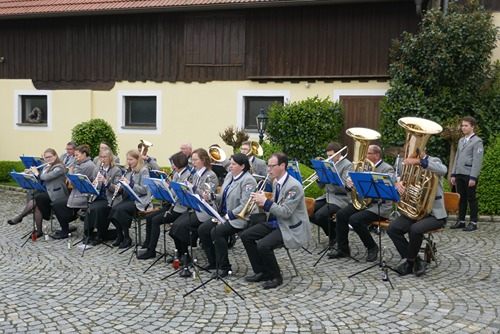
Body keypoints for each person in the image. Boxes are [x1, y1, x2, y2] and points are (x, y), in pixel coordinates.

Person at [241, 152, 311, 289]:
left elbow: (285, 212)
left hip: (290, 226)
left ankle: (275, 276)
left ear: (282, 166)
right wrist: (262, 204)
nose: (268, 169)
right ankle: (261, 271)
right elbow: (276, 206)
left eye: (272, 166)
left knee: (263, 245)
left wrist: (266, 202)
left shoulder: (294, 186)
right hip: (277, 222)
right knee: (246, 236)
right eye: (268, 166)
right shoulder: (276, 182)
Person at [329, 145, 394, 262]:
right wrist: (350, 184)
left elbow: (388, 192)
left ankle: (372, 247)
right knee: (341, 215)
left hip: (379, 206)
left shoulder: (387, 169)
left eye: (368, 153)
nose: (365, 156)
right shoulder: (363, 167)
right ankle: (343, 248)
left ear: (377, 156)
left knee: (355, 220)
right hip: (363, 203)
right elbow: (354, 189)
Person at [387, 152, 447, 276]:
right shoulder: (407, 165)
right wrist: (397, 184)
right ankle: (417, 261)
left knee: (415, 229)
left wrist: (420, 162)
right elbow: (396, 178)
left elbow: (443, 170)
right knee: (392, 229)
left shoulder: (434, 160)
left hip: (434, 214)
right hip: (415, 211)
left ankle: (409, 263)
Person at [198, 153, 257, 278]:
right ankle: (213, 262)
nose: (230, 166)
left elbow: (245, 205)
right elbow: (225, 196)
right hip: (223, 214)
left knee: (217, 232)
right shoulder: (230, 176)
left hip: (239, 217)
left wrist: (227, 216)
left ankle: (224, 267)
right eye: (230, 163)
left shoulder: (248, 180)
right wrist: (212, 196)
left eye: (233, 164)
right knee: (202, 230)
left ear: (242, 166)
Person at [168, 148, 219, 265]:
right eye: (192, 160)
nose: (193, 163)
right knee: (175, 226)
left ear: (204, 160)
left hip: (206, 210)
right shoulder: (195, 174)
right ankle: (181, 253)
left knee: (182, 227)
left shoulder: (211, 176)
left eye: (195, 160)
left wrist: (193, 188)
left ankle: (186, 256)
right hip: (195, 208)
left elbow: (208, 195)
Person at [138, 151, 191, 259]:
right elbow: (172, 192)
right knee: (149, 217)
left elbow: (176, 193)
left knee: (155, 220)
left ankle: (152, 250)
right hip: (172, 205)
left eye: (173, 163)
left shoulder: (187, 175)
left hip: (181, 208)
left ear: (179, 163)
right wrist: (166, 188)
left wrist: (166, 189)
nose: (172, 166)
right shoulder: (177, 174)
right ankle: (147, 246)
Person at [7, 149, 68, 237]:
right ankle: (39, 231)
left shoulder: (59, 167)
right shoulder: (47, 166)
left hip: (56, 194)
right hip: (46, 191)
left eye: (50, 157)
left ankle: (20, 217)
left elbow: (47, 177)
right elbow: (40, 178)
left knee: (38, 198)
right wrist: (30, 173)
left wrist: (36, 172)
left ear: (55, 156)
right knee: (37, 203)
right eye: (46, 157)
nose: (48, 159)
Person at [309, 142, 352, 245]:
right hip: (328, 197)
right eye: (327, 155)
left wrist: (332, 177)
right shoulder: (327, 164)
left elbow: (345, 188)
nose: (328, 158)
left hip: (340, 198)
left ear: (338, 154)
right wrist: (320, 177)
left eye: (330, 156)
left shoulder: (348, 165)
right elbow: (321, 187)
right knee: (309, 212)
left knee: (320, 215)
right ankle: (334, 233)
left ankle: (333, 236)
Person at [51, 144, 97, 239]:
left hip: (83, 196)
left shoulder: (87, 166)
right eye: (75, 155)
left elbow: (73, 182)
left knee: (57, 204)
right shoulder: (81, 164)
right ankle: (66, 226)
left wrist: (71, 173)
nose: (75, 157)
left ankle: (66, 227)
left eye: (77, 155)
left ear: (84, 154)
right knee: (56, 203)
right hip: (77, 194)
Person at [108, 149, 151, 248]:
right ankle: (120, 235)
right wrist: (120, 187)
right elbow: (126, 188)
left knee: (120, 210)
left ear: (137, 159)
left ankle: (127, 237)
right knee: (113, 209)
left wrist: (130, 184)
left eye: (131, 159)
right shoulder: (129, 171)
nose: (128, 162)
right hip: (129, 199)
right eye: (127, 159)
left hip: (139, 200)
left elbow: (144, 190)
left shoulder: (144, 171)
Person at [450, 116, 484, 231]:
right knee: (461, 198)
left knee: (471, 198)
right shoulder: (461, 140)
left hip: (469, 174)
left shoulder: (477, 141)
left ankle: (473, 222)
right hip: (459, 173)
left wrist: (473, 177)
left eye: (466, 126)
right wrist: (453, 174)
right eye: (462, 125)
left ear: (472, 127)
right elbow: (457, 158)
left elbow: (477, 160)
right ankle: (461, 220)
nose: (463, 128)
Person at [84, 148, 124, 245]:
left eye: (105, 157)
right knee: (90, 207)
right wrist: (94, 184)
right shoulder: (97, 169)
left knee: (98, 209)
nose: (103, 159)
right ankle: (88, 233)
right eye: (101, 157)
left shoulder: (116, 170)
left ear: (110, 157)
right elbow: (96, 187)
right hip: (99, 197)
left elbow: (118, 190)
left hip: (110, 198)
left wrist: (106, 182)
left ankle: (99, 235)